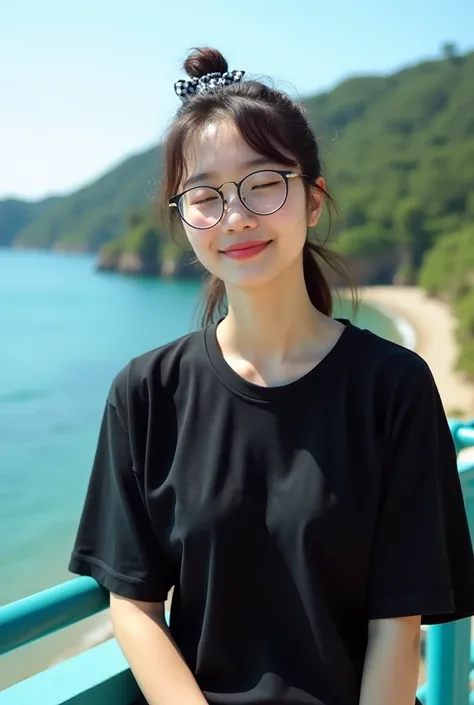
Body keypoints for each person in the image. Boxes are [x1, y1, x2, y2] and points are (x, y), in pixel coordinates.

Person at [68, 47, 474, 705]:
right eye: (205, 196)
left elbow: (396, 627)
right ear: (184, 217)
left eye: (263, 182)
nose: (235, 216)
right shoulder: (145, 393)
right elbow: (132, 603)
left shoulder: (393, 387)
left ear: (313, 199)